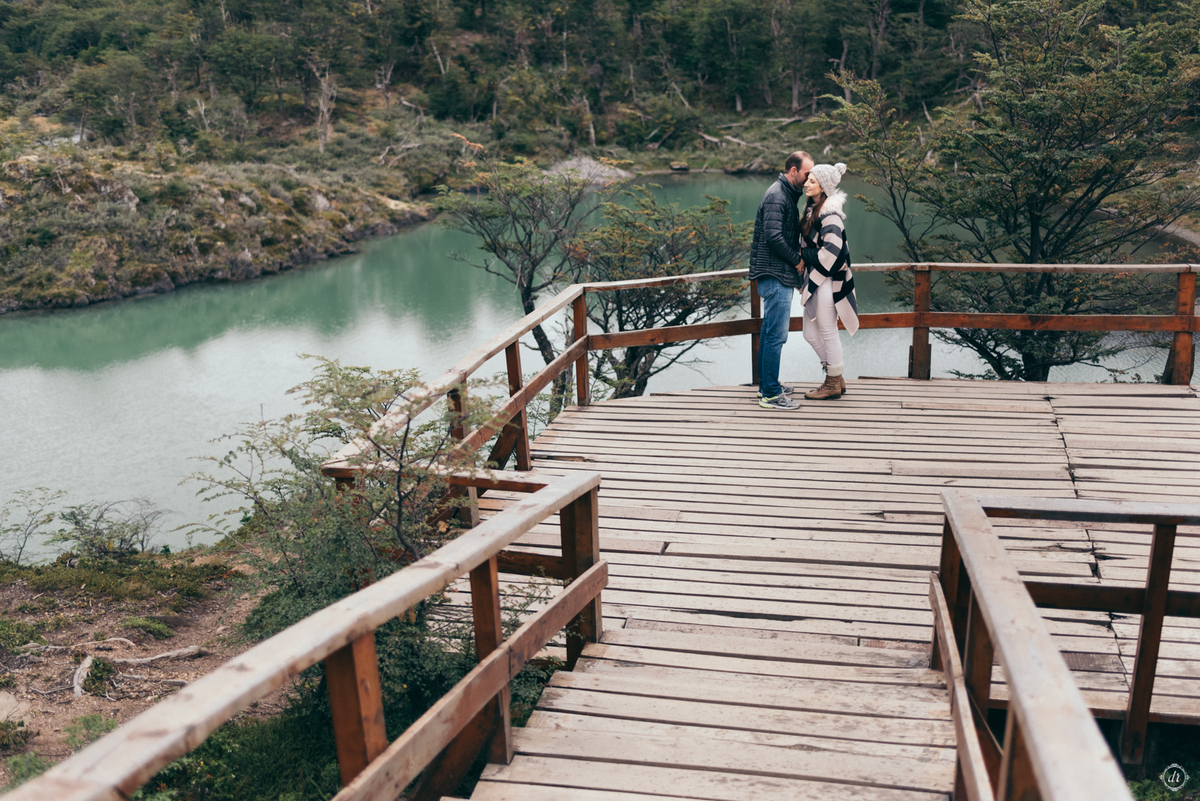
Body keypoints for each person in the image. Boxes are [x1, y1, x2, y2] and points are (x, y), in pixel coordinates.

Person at [749, 151, 813, 411]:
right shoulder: (778, 195)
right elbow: (774, 237)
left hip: (775, 273)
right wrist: (797, 261)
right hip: (775, 274)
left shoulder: (785, 194)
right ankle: (771, 395)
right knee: (776, 336)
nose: (809, 179)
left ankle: (767, 385)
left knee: (769, 334)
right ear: (793, 170)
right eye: (807, 174)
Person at [798, 162, 858, 400]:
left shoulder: (830, 216)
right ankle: (836, 376)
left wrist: (803, 254)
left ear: (823, 186)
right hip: (816, 281)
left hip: (826, 281)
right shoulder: (814, 211)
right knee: (810, 334)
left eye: (812, 181)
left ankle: (832, 382)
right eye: (807, 179)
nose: (806, 184)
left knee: (828, 332)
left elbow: (830, 256)